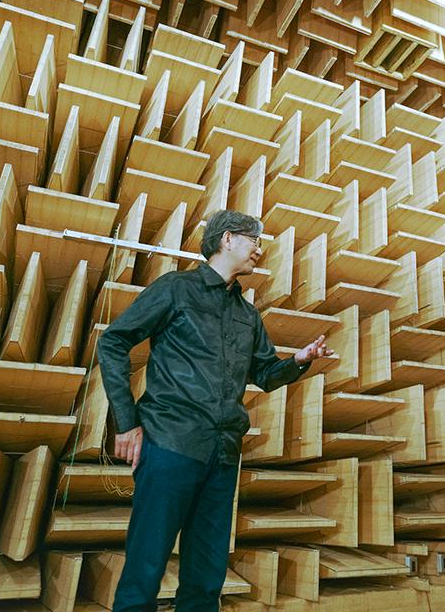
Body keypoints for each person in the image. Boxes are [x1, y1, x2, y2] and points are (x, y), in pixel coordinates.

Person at [99, 209, 333, 612]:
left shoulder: (247, 314)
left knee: (206, 579)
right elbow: (113, 342)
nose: (259, 249)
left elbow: (264, 373)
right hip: (170, 446)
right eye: (254, 240)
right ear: (227, 239)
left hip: (223, 455)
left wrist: (298, 359)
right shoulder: (175, 288)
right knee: (145, 570)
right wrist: (127, 424)